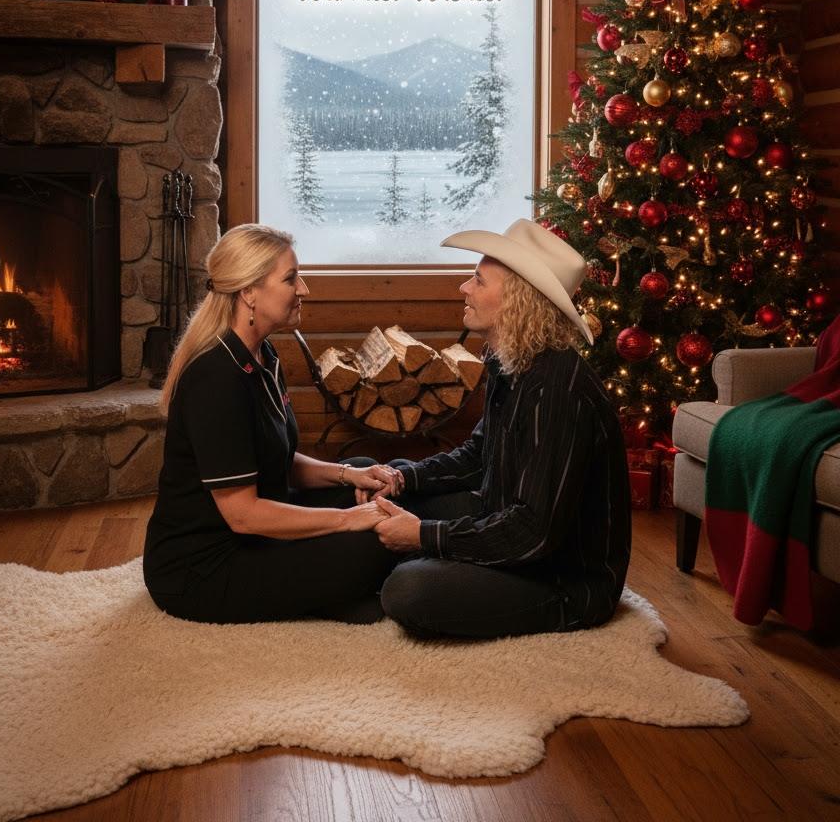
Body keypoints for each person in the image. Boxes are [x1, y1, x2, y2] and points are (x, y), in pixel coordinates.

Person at [372, 218, 632, 639]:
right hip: (503, 521)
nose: (464, 289)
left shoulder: (557, 389)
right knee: (386, 477)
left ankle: (403, 575)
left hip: (561, 578)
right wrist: (404, 477)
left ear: (516, 301)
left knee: (409, 588)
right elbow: (478, 457)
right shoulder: (511, 358)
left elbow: (533, 532)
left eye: (478, 280)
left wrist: (422, 536)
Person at [143, 223, 397, 625]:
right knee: (372, 545)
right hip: (203, 567)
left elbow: (276, 456)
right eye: (291, 278)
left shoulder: (262, 355)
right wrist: (346, 522)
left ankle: (329, 594)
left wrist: (350, 474)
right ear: (248, 292)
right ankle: (334, 592)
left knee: (368, 482)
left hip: (255, 534)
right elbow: (243, 515)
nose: (305, 289)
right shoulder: (215, 378)